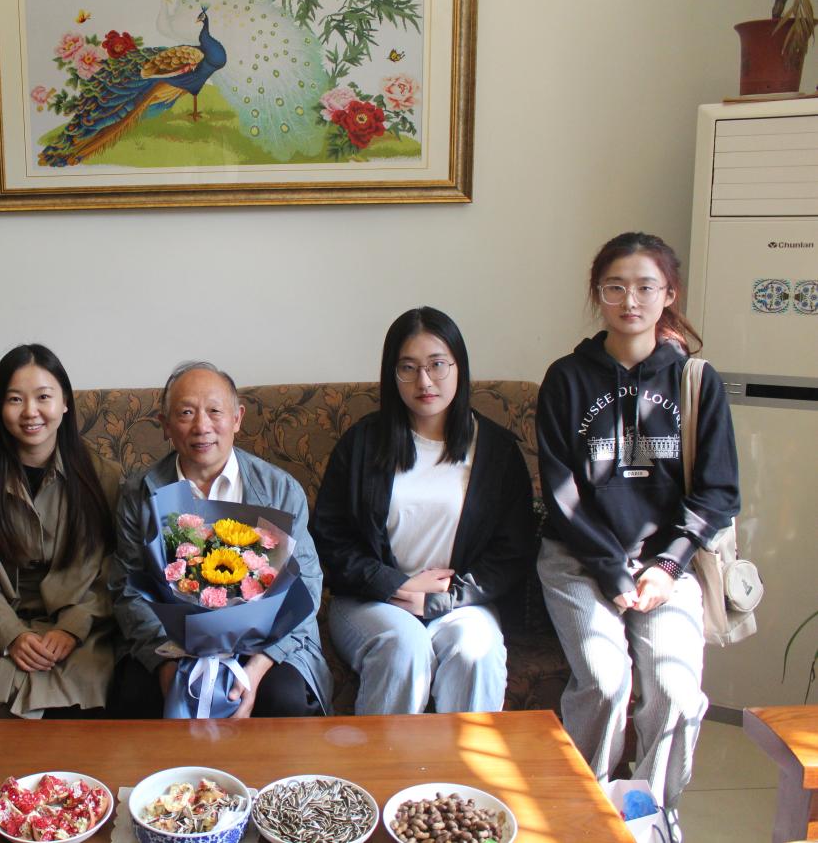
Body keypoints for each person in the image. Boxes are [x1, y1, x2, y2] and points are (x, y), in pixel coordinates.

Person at [537, 232, 739, 834]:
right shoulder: (567, 378)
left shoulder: (696, 381)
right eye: (615, 287)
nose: (631, 300)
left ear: (668, 294)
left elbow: (719, 491)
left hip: (666, 567)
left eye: (646, 287)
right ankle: (584, 809)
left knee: (675, 690)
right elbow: (561, 492)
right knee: (604, 681)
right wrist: (611, 571)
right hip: (578, 559)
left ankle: (648, 815)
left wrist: (667, 566)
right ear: (597, 294)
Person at [310, 307, 535, 715]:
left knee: (477, 652)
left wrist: (443, 600)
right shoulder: (362, 443)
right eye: (408, 368)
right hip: (370, 602)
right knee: (404, 647)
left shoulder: (497, 451)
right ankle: (385, 760)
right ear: (391, 374)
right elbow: (330, 538)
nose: (424, 381)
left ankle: (465, 758)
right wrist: (396, 584)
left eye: (437, 365)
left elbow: (512, 551)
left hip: (463, 603)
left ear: (459, 367)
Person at [109, 361, 332, 718]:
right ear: (165, 425)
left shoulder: (279, 489)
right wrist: (167, 667)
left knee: (284, 700)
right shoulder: (140, 493)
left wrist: (257, 669)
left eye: (215, 411)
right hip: (171, 644)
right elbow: (127, 588)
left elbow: (306, 585)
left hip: (267, 645)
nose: (202, 426)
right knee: (137, 698)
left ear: (237, 418)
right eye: (186, 413)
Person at [0, 344, 120, 718]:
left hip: (84, 626)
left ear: (65, 403)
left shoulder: (104, 477)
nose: (30, 412)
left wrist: (72, 628)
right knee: (0, 699)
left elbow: (114, 569)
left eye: (43, 397)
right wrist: (12, 635)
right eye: (15, 399)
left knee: (88, 693)